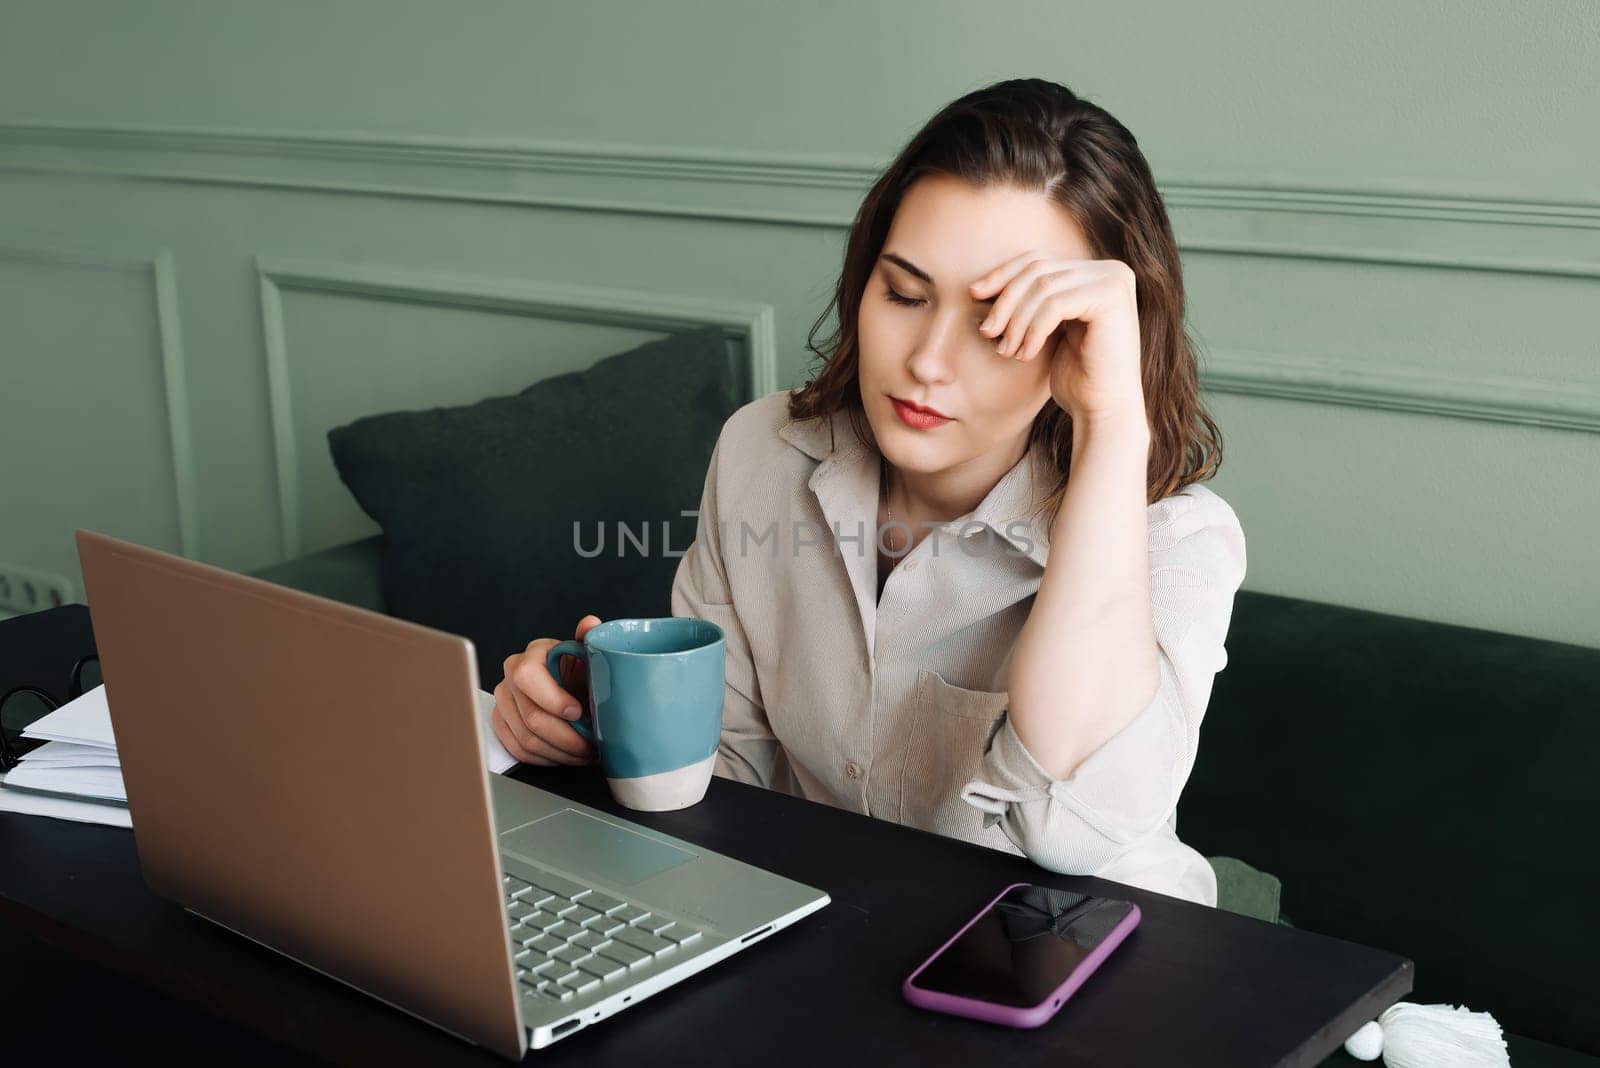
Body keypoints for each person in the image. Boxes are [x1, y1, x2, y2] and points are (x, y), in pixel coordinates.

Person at [491, 78, 1247, 907]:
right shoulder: (762, 453)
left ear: (1081, 343)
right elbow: (728, 772)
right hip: (842, 956)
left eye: (999, 322)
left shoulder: (1175, 539)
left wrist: (1111, 421)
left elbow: (1076, 834)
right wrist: (589, 733)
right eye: (905, 294)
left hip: (1109, 977)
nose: (927, 359)